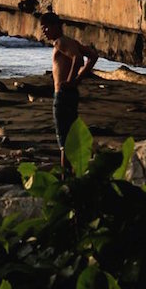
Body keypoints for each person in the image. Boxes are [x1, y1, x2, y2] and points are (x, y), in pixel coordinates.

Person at [39, 11, 98, 171]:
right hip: (71, 93)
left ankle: (66, 176)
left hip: (63, 95)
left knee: (64, 140)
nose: (44, 32)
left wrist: (71, 80)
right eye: (43, 29)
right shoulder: (71, 41)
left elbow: (78, 59)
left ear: (56, 26)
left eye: (46, 28)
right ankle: (73, 171)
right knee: (71, 135)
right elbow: (92, 56)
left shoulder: (60, 42)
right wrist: (77, 80)